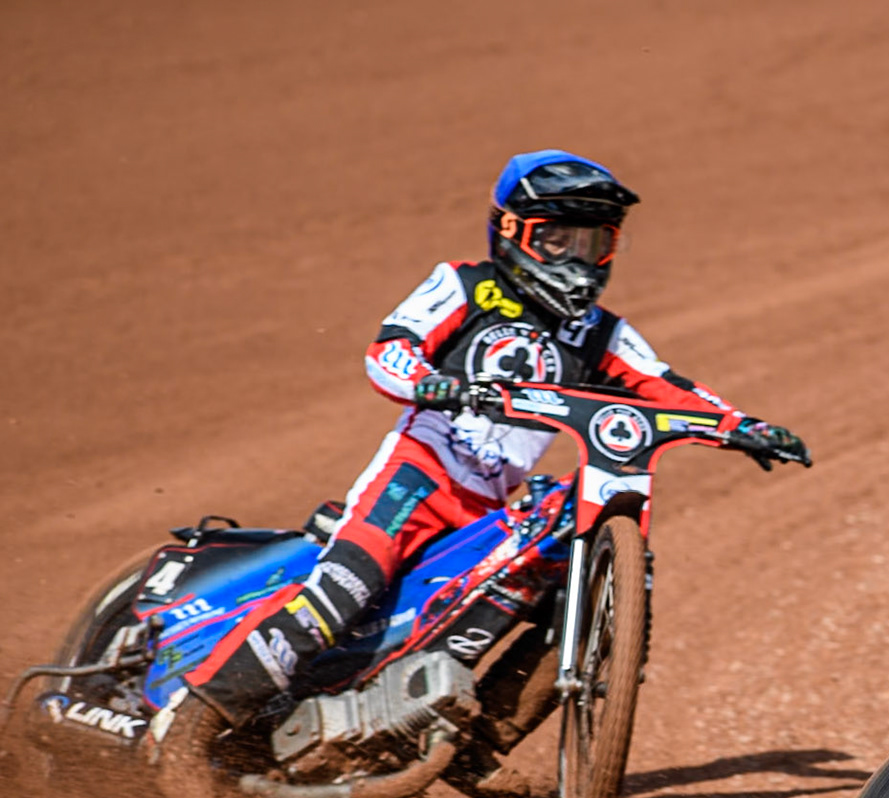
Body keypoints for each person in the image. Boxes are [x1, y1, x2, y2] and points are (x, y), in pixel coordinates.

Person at [176, 149, 807, 750]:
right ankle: (196, 725)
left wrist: (740, 425)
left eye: (593, 243)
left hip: (490, 510)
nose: (576, 260)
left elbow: (661, 385)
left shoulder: (600, 333)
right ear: (510, 231)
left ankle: (479, 746)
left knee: (564, 595)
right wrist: (430, 383)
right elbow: (390, 349)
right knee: (346, 587)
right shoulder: (464, 287)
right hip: (416, 480)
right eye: (556, 240)